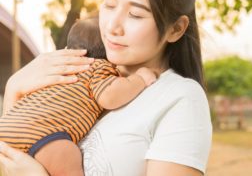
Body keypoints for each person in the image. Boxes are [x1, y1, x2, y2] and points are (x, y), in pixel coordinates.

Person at [0, 0, 212, 175]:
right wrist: (14, 89)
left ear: (175, 29)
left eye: (135, 14)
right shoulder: (79, 74)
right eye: (109, 5)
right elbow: (16, 155)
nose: (112, 26)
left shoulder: (179, 97)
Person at [0, 17, 157, 175]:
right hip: (45, 134)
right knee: (69, 158)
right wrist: (139, 79)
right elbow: (109, 96)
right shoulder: (98, 67)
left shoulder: (59, 69)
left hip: (9, 128)